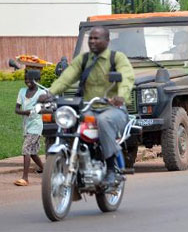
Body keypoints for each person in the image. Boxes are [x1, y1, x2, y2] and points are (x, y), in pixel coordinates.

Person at [40, 27, 134, 186]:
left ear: (107, 41)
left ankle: (111, 170)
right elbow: (67, 77)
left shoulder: (117, 58)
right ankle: (76, 158)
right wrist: (50, 93)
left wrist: (120, 97)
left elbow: (127, 78)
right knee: (68, 118)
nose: (93, 41)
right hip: (88, 108)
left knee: (103, 121)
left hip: (113, 109)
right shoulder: (84, 59)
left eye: (97, 38)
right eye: (90, 38)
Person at [13, 71, 47, 186]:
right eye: (26, 79)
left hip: (36, 125)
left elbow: (44, 108)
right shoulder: (22, 92)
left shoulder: (41, 93)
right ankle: (47, 171)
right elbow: (16, 109)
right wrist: (25, 112)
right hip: (26, 125)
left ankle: (25, 178)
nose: (27, 81)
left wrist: (38, 109)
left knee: (26, 148)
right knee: (32, 153)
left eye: (30, 79)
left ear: (36, 80)